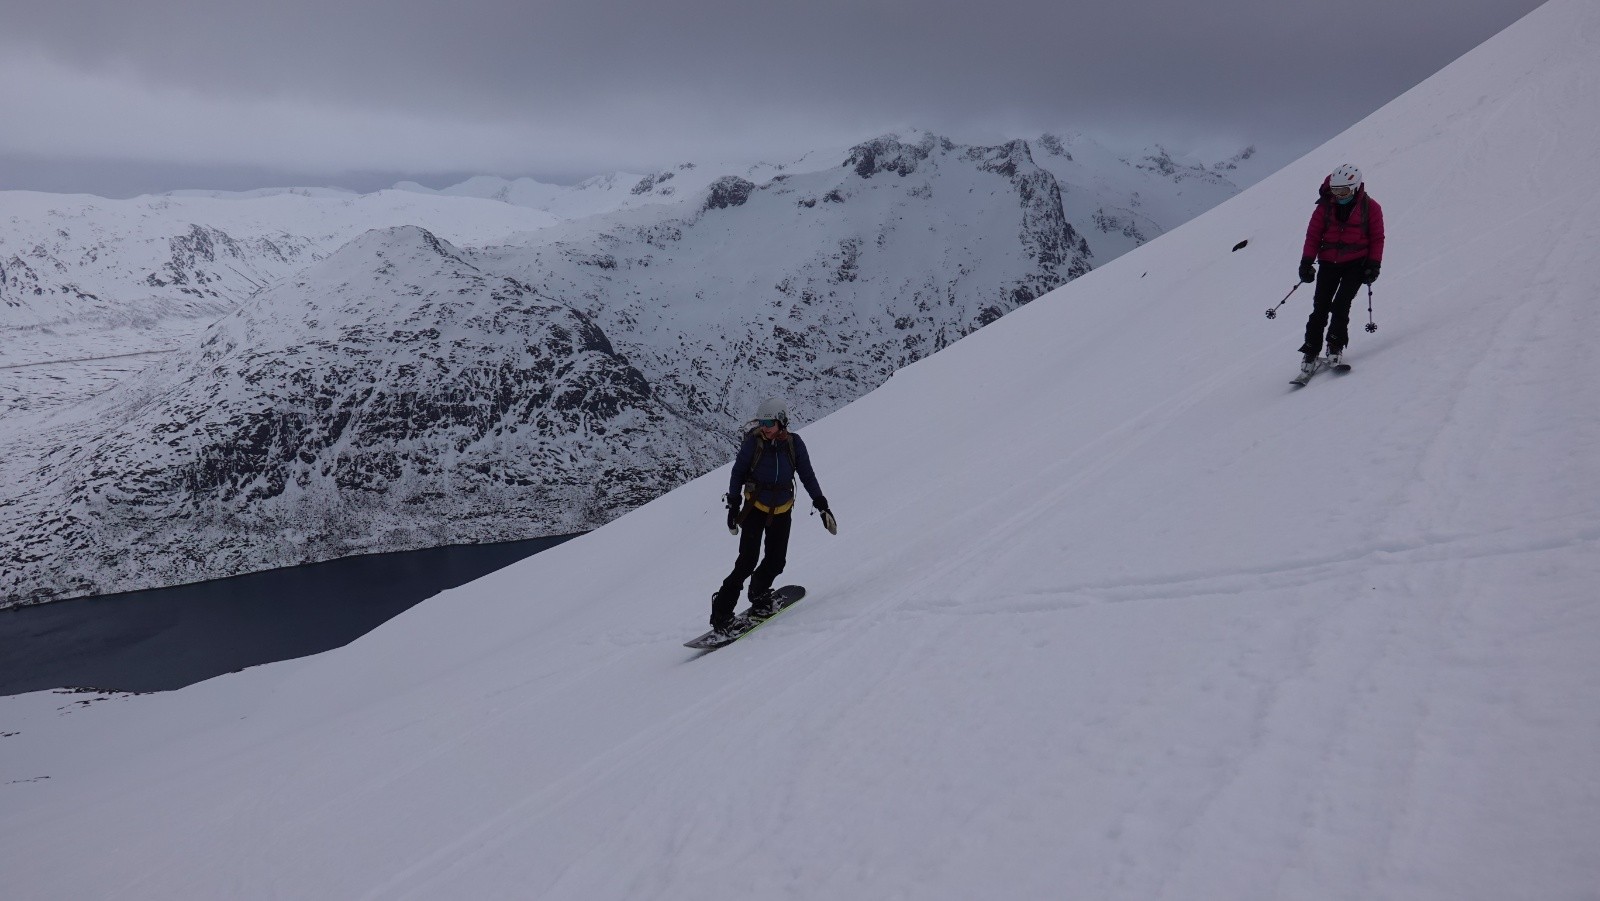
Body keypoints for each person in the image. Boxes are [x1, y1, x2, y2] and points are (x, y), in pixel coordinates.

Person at [708, 397, 834, 637]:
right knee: (747, 562)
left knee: (777, 561)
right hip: (755, 508)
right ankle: (721, 614)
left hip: (782, 509)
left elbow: (807, 475)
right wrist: (733, 505)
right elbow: (737, 473)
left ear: (782, 422)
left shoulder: (795, 444)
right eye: (762, 422)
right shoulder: (753, 444)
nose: (764, 428)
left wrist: (821, 503)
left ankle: (759, 592)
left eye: (769, 423)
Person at [1296, 163, 1385, 376]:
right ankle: (1310, 351)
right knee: (1320, 307)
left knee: (1341, 305)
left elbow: (1377, 238)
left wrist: (1373, 265)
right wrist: (1306, 262)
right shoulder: (1324, 207)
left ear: (1355, 187)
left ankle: (1335, 346)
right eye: (1335, 191)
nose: (1338, 196)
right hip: (1328, 263)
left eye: (1343, 191)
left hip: (1356, 264)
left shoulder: (1371, 208)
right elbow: (1313, 236)